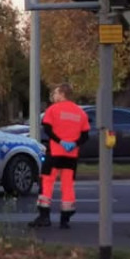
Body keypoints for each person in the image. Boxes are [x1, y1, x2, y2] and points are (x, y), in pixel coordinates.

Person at [30, 83, 90, 230]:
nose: (54, 96)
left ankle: (44, 216)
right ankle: (65, 219)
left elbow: (47, 129)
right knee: (68, 185)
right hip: (71, 156)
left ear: (62, 94)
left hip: (55, 153)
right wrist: (74, 144)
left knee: (47, 182)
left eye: (56, 93)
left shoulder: (53, 110)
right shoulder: (80, 113)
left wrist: (60, 141)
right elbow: (85, 135)